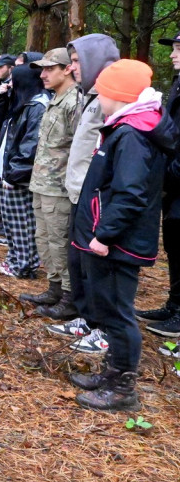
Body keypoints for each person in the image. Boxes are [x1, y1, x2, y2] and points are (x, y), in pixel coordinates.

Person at [69, 59, 176, 411]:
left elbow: (130, 194)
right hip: (109, 240)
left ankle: (123, 388)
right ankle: (111, 374)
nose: (98, 98)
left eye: (103, 92)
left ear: (118, 95)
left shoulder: (132, 134)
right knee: (109, 308)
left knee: (117, 312)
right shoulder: (126, 127)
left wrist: (104, 235)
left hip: (116, 244)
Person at [45, 35, 120, 352]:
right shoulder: (89, 95)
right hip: (79, 193)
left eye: (76, 61)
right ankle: (87, 318)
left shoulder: (111, 97)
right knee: (79, 264)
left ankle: (106, 328)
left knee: (99, 268)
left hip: (98, 198)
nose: (72, 66)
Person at [19, 48, 82, 318]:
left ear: (67, 69)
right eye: (41, 70)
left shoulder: (75, 102)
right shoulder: (55, 99)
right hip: (42, 184)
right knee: (44, 240)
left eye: (49, 69)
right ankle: (54, 288)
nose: (42, 75)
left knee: (59, 242)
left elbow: (81, 149)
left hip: (60, 188)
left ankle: (69, 297)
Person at [135, 32, 180, 339]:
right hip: (173, 181)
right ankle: (174, 305)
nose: (172, 55)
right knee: (175, 245)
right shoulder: (178, 83)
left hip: (177, 178)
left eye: (178, 49)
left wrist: (171, 173)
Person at [0, 63, 48, 279]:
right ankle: (14, 259)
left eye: (13, 79)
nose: (9, 83)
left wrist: (15, 174)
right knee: (11, 221)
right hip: (9, 171)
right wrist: (1, 96)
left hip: (19, 176)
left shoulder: (37, 107)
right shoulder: (21, 103)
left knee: (22, 222)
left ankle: (24, 264)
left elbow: (31, 145)